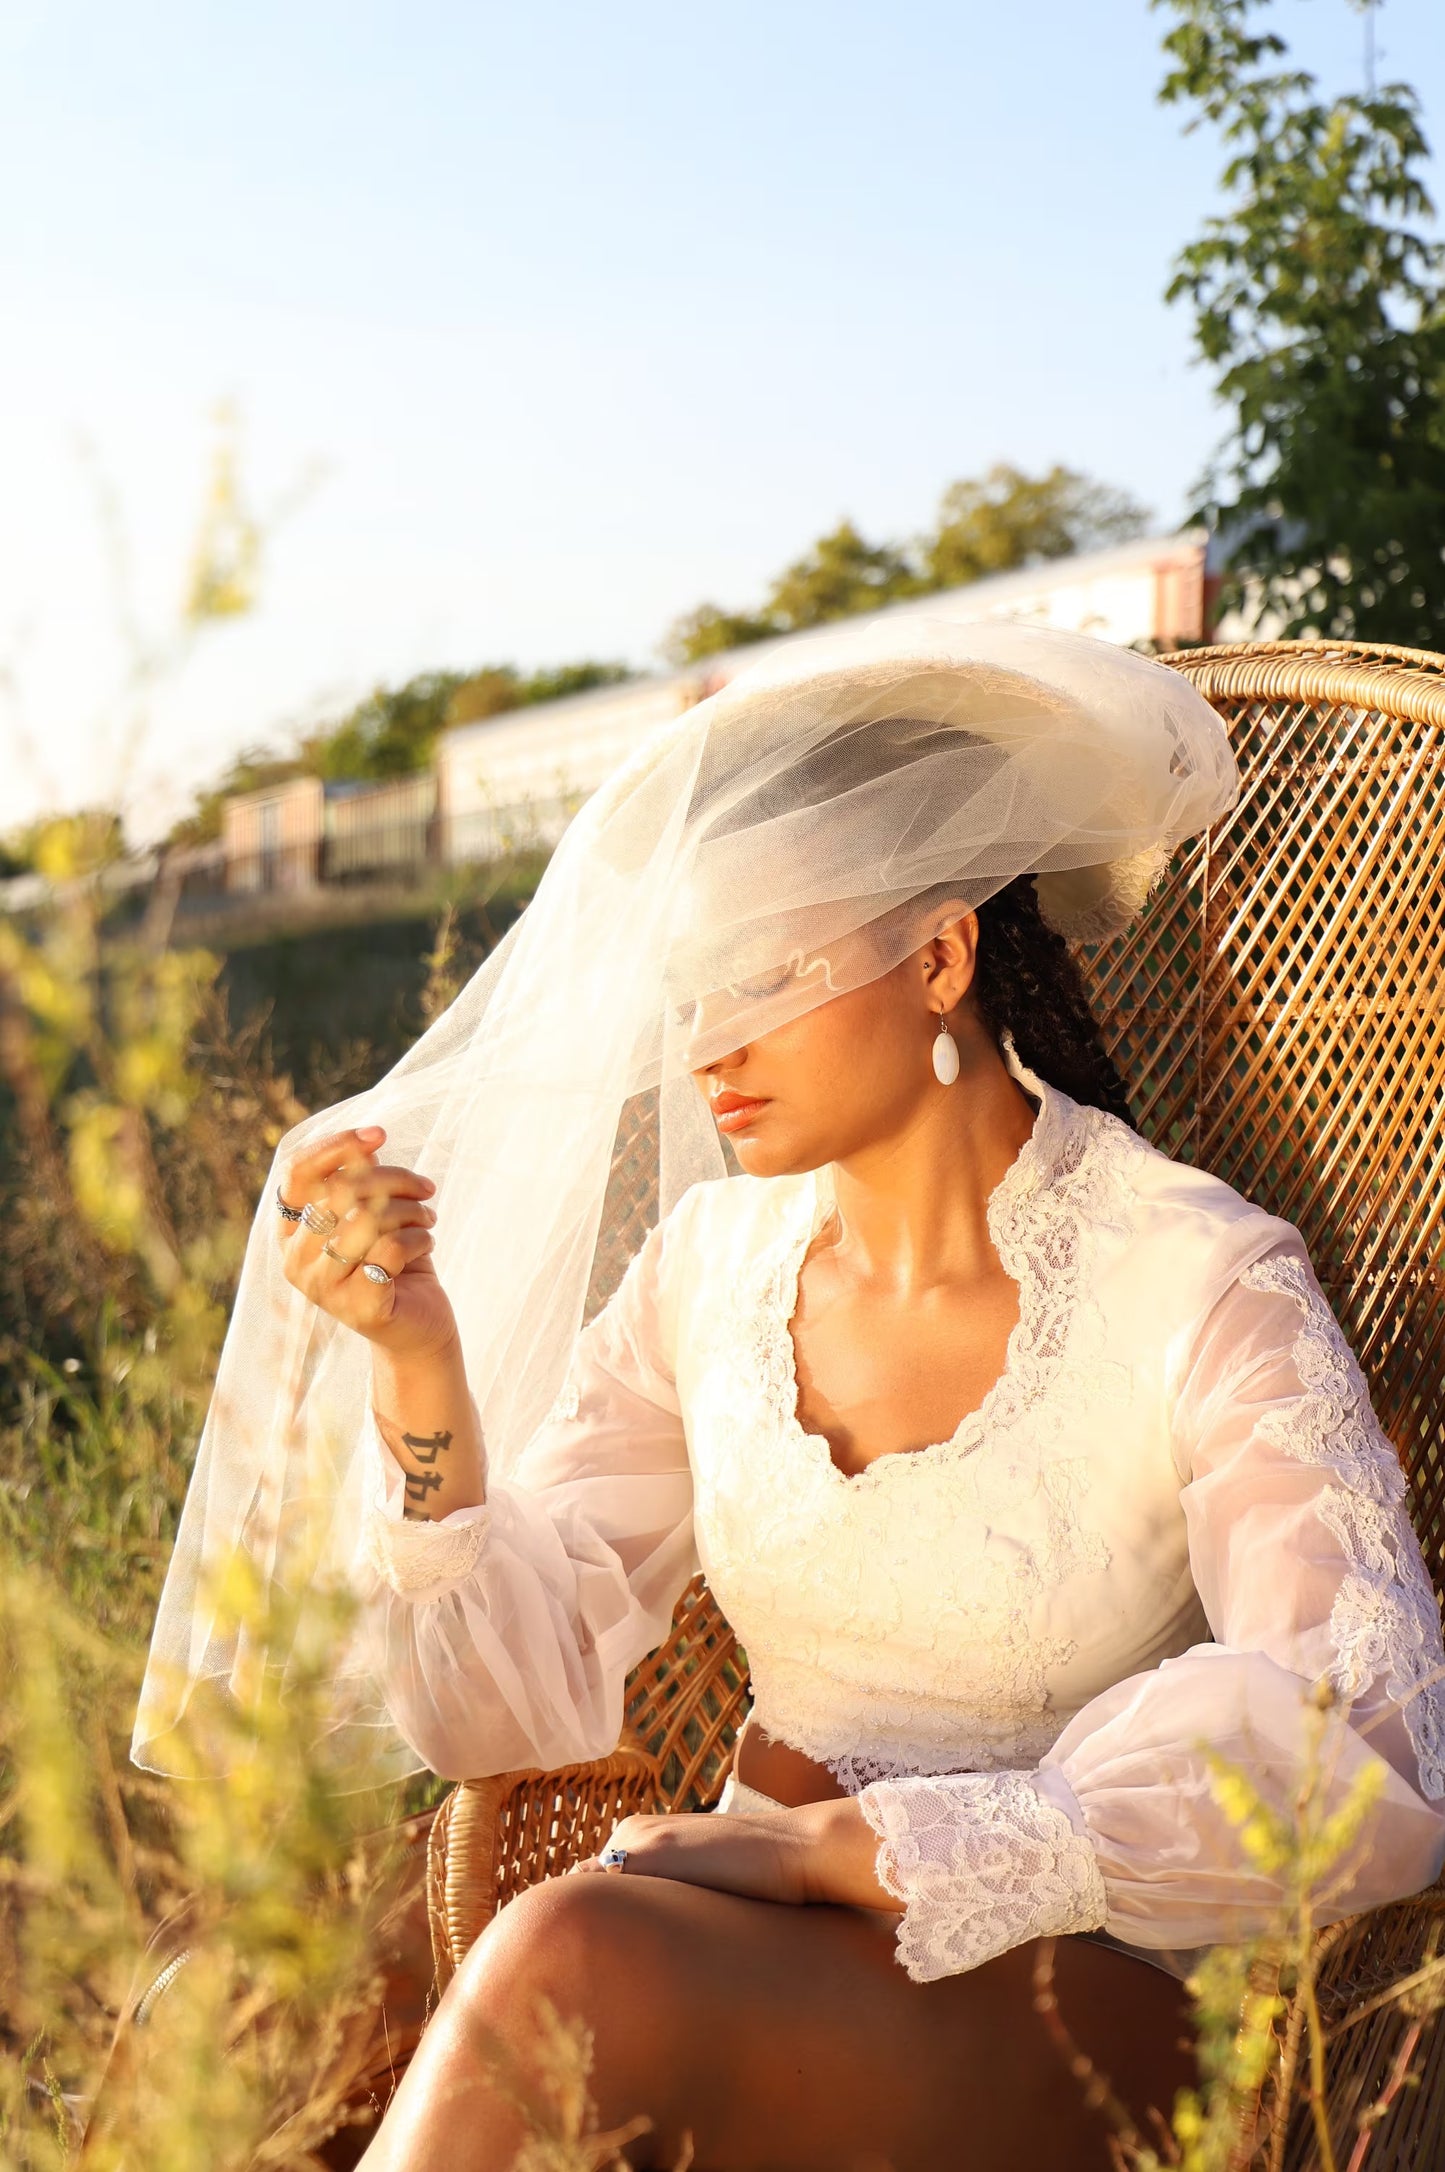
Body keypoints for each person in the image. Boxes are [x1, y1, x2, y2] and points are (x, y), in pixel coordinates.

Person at [135, 620, 1445, 2170]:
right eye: (698, 987)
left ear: (942, 956)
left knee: (573, 1958)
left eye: (765, 974)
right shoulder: (714, 1263)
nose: (710, 1047)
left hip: (1058, 1994)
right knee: (229, 2002)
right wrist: (417, 1358)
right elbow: (505, 1696)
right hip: (727, 1910)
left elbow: (1376, 1744)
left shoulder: (1196, 1281)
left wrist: (842, 1852)